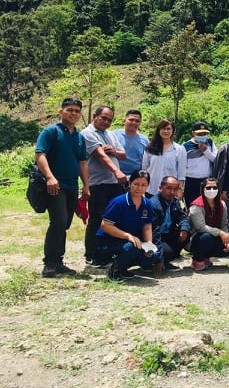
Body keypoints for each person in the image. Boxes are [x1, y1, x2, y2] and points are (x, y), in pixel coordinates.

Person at [35, 97, 90, 277]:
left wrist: (86, 185)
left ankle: (58, 262)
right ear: (61, 112)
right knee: (58, 221)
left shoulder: (79, 137)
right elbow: (40, 154)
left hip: (72, 186)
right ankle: (50, 263)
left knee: (65, 223)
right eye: (70, 110)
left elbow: (82, 162)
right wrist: (50, 177)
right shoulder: (51, 131)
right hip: (55, 186)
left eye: (77, 110)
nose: (73, 113)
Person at [94, 169, 162, 281]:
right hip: (108, 242)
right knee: (132, 246)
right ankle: (114, 270)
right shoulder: (118, 202)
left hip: (130, 241)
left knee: (153, 255)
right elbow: (105, 225)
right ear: (129, 184)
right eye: (136, 184)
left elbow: (147, 226)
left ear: (148, 186)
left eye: (143, 185)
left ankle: (123, 267)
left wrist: (149, 244)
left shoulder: (147, 204)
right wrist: (127, 236)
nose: (139, 188)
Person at [81, 105, 127, 267]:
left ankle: (108, 253)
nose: (106, 122)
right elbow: (100, 155)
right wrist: (117, 172)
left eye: (109, 119)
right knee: (96, 219)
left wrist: (114, 151)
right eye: (103, 118)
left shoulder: (111, 134)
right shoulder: (87, 134)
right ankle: (91, 255)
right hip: (98, 184)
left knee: (113, 220)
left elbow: (123, 154)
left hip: (114, 185)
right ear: (95, 116)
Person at [188, 178, 229, 271]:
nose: (212, 190)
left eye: (215, 187)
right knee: (206, 237)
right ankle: (197, 260)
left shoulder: (222, 205)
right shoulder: (196, 206)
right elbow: (201, 227)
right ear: (203, 189)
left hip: (215, 235)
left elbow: (224, 224)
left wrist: (226, 236)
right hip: (196, 238)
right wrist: (220, 233)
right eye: (208, 188)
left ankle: (205, 257)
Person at [150, 176, 190, 271]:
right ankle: (152, 263)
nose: (172, 192)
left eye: (175, 189)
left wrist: (184, 229)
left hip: (167, 234)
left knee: (186, 234)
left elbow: (182, 216)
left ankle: (166, 261)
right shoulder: (153, 204)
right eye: (168, 188)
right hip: (153, 237)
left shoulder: (174, 201)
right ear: (160, 188)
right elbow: (154, 233)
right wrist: (159, 257)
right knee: (167, 252)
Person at [142, 119, 186, 197]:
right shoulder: (150, 148)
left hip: (171, 190)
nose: (166, 131)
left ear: (173, 131)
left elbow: (181, 173)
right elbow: (145, 168)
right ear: (158, 130)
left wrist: (179, 190)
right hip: (152, 188)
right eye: (163, 128)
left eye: (168, 129)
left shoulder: (179, 149)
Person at [182, 121, 217, 208]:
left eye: (204, 133)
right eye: (199, 134)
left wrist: (206, 151)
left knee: (208, 206)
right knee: (192, 207)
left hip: (207, 181)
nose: (202, 136)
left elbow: (215, 159)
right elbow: (181, 166)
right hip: (191, 181)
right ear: (193, 133)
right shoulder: (186, 146)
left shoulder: (210, 142)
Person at [114, 110, 149, 176]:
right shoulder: (114, 135)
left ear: (140, 123)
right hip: (115, 176)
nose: (134, 123)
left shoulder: (145, 140)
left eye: (137, 121)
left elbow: (147, 161)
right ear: (124, 121)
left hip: (136, 178)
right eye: (131, 120)